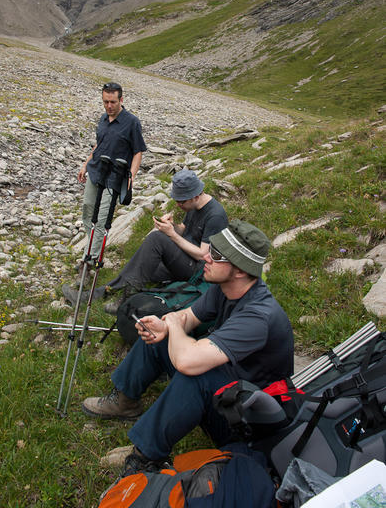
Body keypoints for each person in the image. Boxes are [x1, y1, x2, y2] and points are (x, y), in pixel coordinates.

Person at [82, 219, 294, 475]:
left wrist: (172, 324)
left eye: (216, 255)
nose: (206, 257)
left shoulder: (259, 316)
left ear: (240, 270)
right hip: (229, 390)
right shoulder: (225, 288)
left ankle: (144, 457)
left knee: (195, 376)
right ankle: (125, 401)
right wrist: (167, 325)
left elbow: (186, 361)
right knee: (159, 336)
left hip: (247, 421)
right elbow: (188, 317)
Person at [63, 168, 228, 308]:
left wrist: (170, 235)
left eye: (181, 201)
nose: (178, 204)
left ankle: (125, 302)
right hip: (185, 259)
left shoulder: (215, 215)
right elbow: (184, 230)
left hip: (198, 271)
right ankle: (95, 295)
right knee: (138, 267)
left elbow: (203, 255)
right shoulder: (192, 206)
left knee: (156, 239)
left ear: (196, 196)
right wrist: (172, 227)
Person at [67, 82, 146, 289]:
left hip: (114, 177)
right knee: (87, 212)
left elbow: (138, 151)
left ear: (121, 100)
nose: (108, 106)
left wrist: (131, 176)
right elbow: (99, 144)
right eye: (105, 102)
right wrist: (85, 163)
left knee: (101, 219)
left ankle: (88, 261)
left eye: (112, 102)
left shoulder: (132, 122)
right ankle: (91, 249)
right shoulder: (103, 119)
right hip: (95, 172)